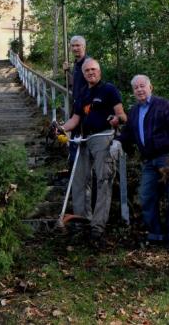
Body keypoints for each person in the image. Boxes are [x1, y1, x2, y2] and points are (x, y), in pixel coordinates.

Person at [110, 75, 169, 249]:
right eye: (136, 88)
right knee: (146, 197)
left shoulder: (163, 105)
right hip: (149, 161)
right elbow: (128, 133)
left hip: (168, 158)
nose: (139, 90)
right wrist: (118, 141)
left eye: (142, 86)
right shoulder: (133, 111)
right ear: (133, 91)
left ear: (150, 87)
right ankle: (156, 235)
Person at [56, 58, 126, 245]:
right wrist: (62, 128)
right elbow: (75, 119)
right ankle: (81, 223)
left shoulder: (109, 90)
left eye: (93, 69)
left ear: (99, 71)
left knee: (103, 180)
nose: (90, 73)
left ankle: (97, 228)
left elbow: (121, 114)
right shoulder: (82, 93)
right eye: (87, 70)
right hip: (83, 139)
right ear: (84, 74)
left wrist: (116, 120)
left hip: (103, 136)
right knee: (79, 181)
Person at [62, 36, 90, 170]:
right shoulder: (77, 65)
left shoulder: (88, 64)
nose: (75, 48)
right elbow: (75, 84)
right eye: (73, 46)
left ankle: (81, 177)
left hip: (86, 112)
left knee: (81, 145)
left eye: (78, 45)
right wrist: (67, 72)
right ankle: (76, 178)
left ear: (84, 46)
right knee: (74, 143)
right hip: (76, 110)